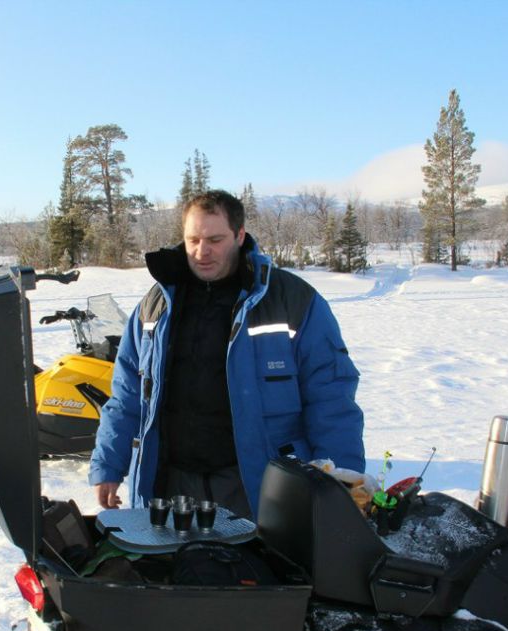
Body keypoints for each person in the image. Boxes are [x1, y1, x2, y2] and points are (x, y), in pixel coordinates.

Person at [89, 189, 365, 518]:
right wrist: (108, 464)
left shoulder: (292, 300)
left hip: (258, 485)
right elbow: (127, 395)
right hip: (171, 486)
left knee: (257, 570)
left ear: (239, 235)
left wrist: (343, 479)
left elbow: (331, 396)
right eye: (192, 240)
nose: (201, 252)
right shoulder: (155, 306)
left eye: (215, 240)